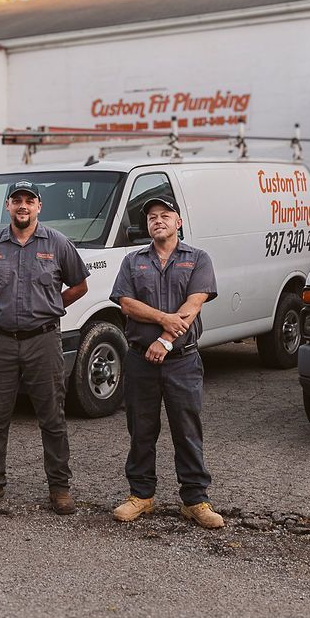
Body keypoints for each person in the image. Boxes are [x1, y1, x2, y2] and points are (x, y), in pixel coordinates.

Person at [0, 180, 89, 515]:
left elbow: (80, 284)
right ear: (7, 206)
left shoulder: (58, 244)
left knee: (52, 417)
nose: (22, 206)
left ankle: (60, 489)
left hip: (43, 341)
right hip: (0, 341)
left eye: (28, 201)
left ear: (38, 207)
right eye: (16, 200)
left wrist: (52, 305)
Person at [108, 195, 224, 529]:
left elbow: (195, 301)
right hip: (140, 360)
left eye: (165, 215)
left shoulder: (198, 259)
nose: (158, 220)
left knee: (187, 430)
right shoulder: (133, 261)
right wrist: (164, 321)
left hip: (182, 362)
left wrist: (165, 340)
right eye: (152, 217)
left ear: (178, 222)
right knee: (141, 429)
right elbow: (127, 304)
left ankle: (195, 500)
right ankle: (141, 496)